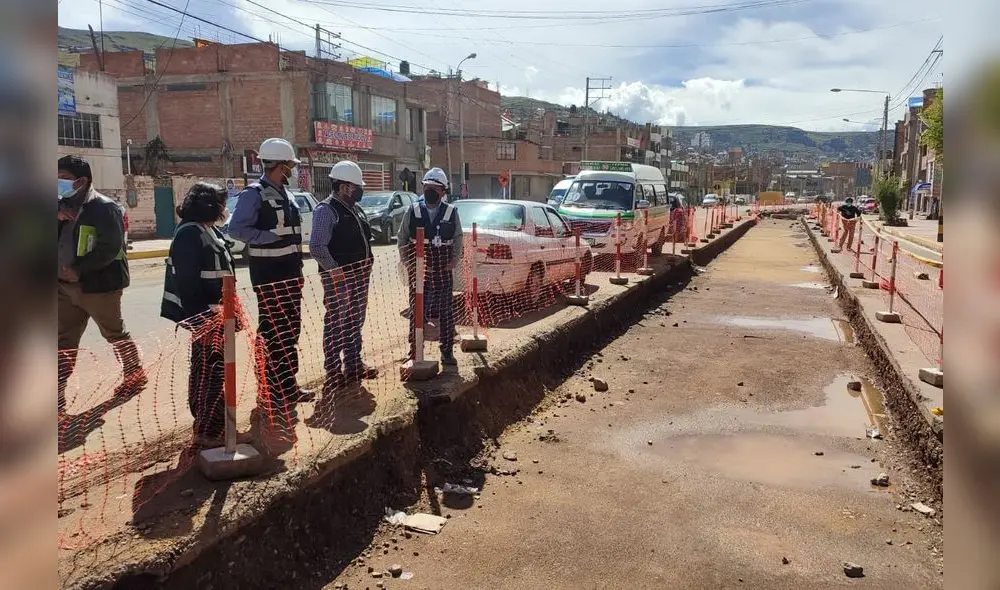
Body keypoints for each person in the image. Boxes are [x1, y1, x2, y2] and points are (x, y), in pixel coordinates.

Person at [227, 138, 309, 431]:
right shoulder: (254, 195)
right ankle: (270, 390)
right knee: (273, 332)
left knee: (291, 330)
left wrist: (298, 270)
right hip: (268, 275)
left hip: (290, 272)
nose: (292, 170)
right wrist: (265, 238)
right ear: (279, 165)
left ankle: (288, 386)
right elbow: (235, 228)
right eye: (290, 165)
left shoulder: (286, 194)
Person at [160, 182, 249, 447]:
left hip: (218, 317)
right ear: (210, 206)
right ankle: (209, 432)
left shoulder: (207, 230)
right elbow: (188, 286)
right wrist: (204, 323)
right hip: (207, 320)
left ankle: (215, 427)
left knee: (213, 372)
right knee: (209, 374)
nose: (224, 210)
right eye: (222, 205)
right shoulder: (189, 235)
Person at [58, 155, 146, 420]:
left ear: (81, 181)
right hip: (62, 288)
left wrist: (79, 270)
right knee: (62, 343)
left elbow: (111, 247)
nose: (57, 184)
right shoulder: (57, 206)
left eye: (62, 179)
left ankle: (133, 374)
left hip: (98, 287)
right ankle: (56, 400)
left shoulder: (104, 208)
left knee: (114, 334)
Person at [309, 160, 378, 393]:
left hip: (359, 277)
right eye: (355, 186)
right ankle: (333, 371)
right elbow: (317, 247)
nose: (359, 190)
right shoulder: (326, 211)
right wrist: (334, 270)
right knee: (336, 323)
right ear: (343, 186)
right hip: (339, 278)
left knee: (354, 321)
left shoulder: (354, 209)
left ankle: (353, 364)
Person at [397, 168, 464, 366]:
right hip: (419, 272)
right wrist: (407, 263)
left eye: (435, 188)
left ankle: (447, 350)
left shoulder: (451, 212)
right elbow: (402, 237)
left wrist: (454, 260)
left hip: (443, 271)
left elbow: (458, 238)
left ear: (443, 191)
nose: (430, 191)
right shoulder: (413, 210)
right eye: (427, 188)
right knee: (417, 310)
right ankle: (415, 349)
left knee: (446, 310)